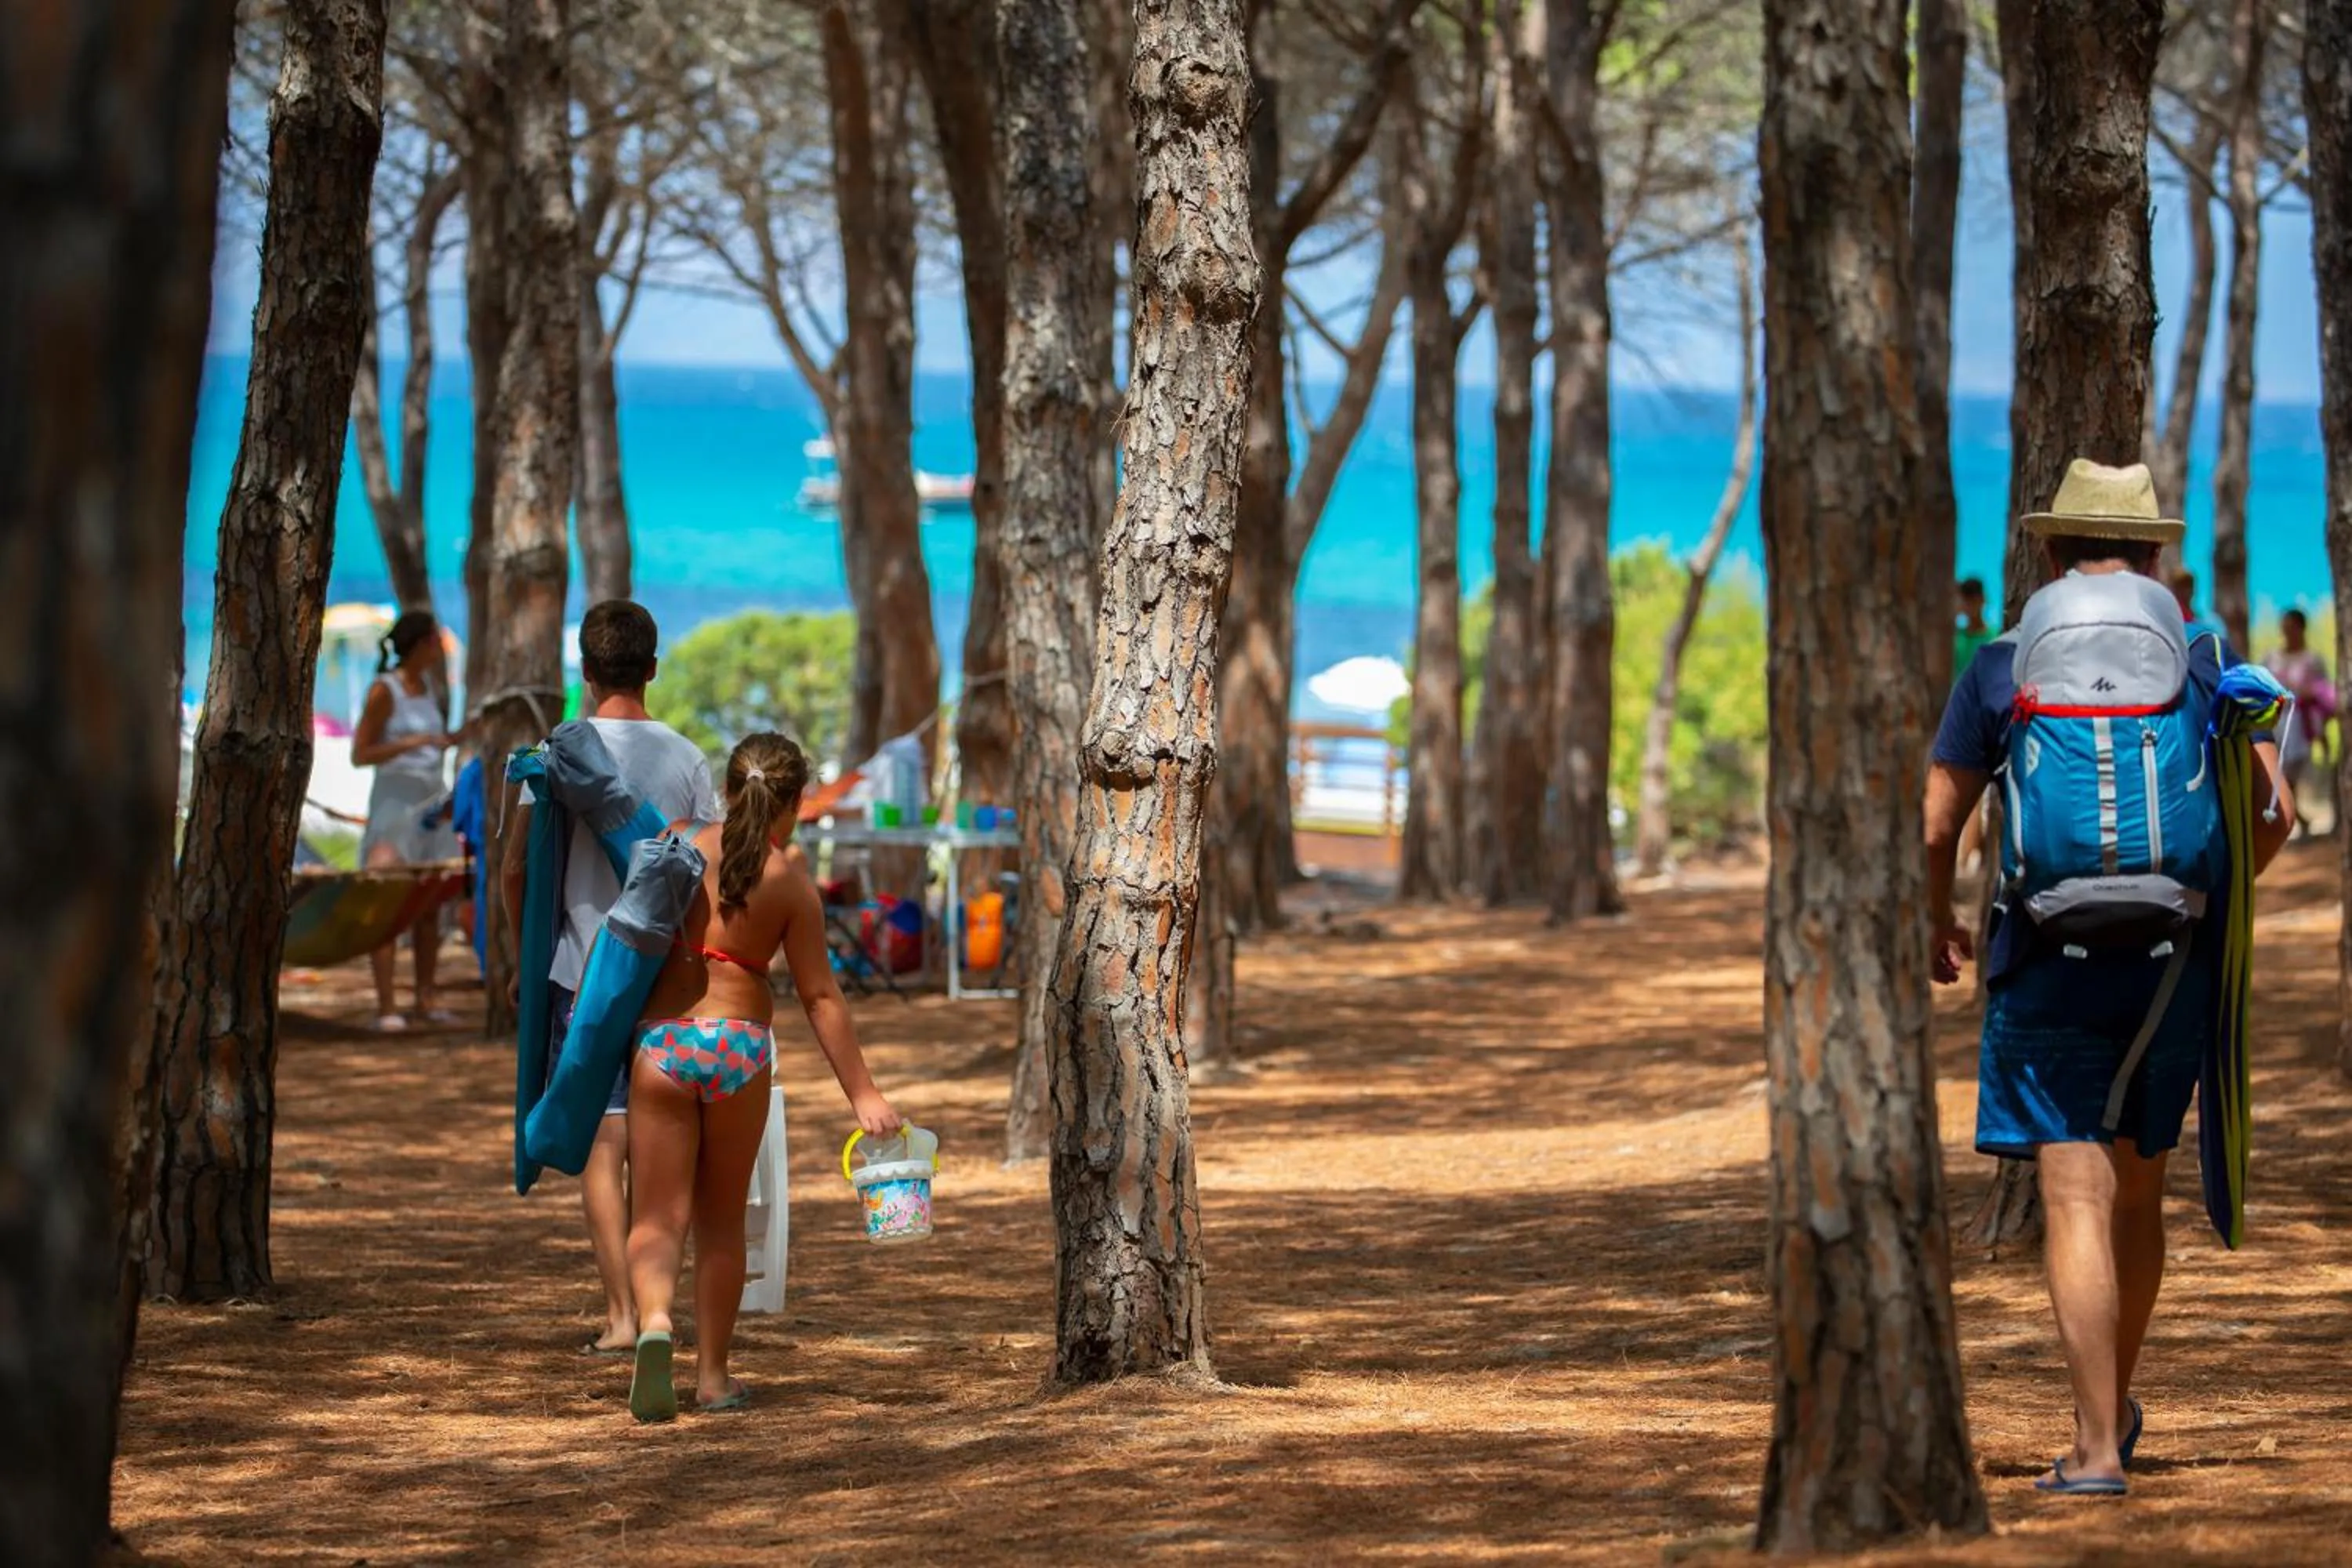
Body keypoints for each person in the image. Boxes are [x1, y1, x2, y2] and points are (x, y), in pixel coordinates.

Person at [1925, 459, 2293, 1498]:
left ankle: (2093, 1448)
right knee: (2137, 1194)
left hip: (2046, 955)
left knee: (2073, 1193)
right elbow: (2276, 817)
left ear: (2049, 553)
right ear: (2153, 556)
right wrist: (2214, 895)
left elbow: (1937, 822)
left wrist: (1932, 919)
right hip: (2174, 960)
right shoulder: (2206, 658)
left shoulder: (2003, 663)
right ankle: (2113, 1412)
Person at [623, 732, 902, 1422]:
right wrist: (863, 1093)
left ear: (726, 787)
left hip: (664, 1045)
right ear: (796, 803)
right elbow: (820, 998)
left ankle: (654, 1320)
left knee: (657, 1213)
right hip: (740, 1049)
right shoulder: (789, 884)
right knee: (721, 1223)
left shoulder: (680, 840)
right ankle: (713, 1378)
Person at [502, 601, 720, 1356]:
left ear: (586, 672)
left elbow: (513, 869)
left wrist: (521, 961)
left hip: (575, 972)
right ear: (652, 668)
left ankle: (623, 1317)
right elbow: (710, 879)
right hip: (664, 978)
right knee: (664, 1150)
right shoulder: (687, 758)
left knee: (603, 1146)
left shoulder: (558, 756)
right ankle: (660, 1307)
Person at [350, 611, 460, 1031]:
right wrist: (414, 742)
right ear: (421, 644)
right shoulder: (385, 690)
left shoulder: (428, 689)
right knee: (386, 901)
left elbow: (432, 747)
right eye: (435, 640)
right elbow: (361, 754)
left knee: (427, 902)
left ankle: (426, 997)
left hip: (430, 804)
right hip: (395, 807)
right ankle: (386, 1004)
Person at [2263, 609, 2333, 834]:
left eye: (2292, 627)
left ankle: (2295, 817)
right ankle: (2295, 817)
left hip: (2303, 725)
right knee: (2280, 771)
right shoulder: (2271, 659)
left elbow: (2324, 694)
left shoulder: (2313, 660)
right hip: (2276, 723)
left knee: (2297, 769)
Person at [1954, 577, 1994, 676]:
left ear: (1983, 600)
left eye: (1975, 599)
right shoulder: (1956, 638)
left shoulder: (1995, 637)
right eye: (1968, 600)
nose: (1972, 604)